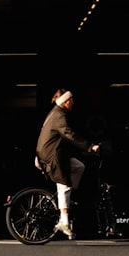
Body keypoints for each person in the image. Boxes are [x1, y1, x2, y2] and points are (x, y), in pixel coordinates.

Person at [35, 88, 100, 238]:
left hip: (53, 154)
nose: (73, 102)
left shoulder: (56, 113)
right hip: (51, 157)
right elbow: (69, 134)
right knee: (64, 186)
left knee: (79, 167)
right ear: (65, 102)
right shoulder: (59, 116)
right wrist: (90, 146)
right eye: (71, 100)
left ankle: (65, 199)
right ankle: (64, 221)